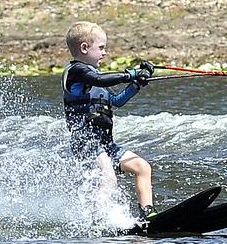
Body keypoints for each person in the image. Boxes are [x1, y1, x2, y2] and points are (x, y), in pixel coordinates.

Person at [61, 21, 157, 222]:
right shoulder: (76, 72)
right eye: (101, 48)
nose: (105, 53)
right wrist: (131, 74)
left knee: (142, 167)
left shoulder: (97, 79)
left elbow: (116, 101)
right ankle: (98, 221)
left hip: (105, 144)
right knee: (108, 179)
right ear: (85, 48)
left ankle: (147, 215)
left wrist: (136, 84)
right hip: (85, 142)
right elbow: (100, 80)